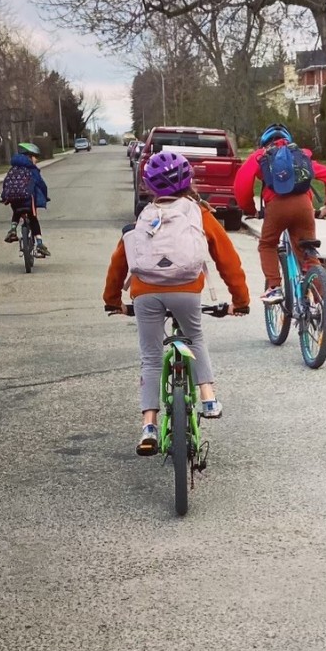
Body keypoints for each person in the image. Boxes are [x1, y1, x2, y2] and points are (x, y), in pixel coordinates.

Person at [103, 150, 251, 457]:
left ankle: (149, 426)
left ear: (149, 186)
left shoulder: (143, 217)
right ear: (189, 180)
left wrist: (113, 300)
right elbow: (227, 259)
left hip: (145, 292)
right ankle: (208, 397)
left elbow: (119, 261)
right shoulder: (200, 213)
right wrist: (240, 300)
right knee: (194, 337)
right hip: (186, 290)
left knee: (151, 356)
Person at [232, 123, 326, 304]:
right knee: (307, 251)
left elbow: (241, 185)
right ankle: (323, 306)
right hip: (304, 207)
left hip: (276, 208)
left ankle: (274, 288)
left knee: (268, 244)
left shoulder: (260, 156)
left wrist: (251, 210)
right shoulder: (300, 155)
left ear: (264, 143)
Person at [2, 142, 51, 257]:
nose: (36, 160)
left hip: (14, 199)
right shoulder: (31, 169)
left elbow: (6, 183)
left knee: (16, 211)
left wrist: (4, 197)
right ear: (29, 157)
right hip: (29, 200)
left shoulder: (13, 169)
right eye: (35, 157)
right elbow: (41, 184)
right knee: (33, 219)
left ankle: (13, 230)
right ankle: (39, 244)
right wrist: (45, 196)